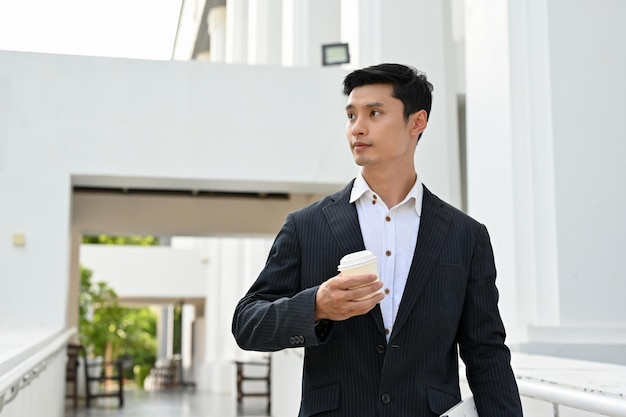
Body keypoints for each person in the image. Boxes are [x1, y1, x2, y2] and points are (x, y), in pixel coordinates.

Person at [232, 63, 523, 416]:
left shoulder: (466, 235)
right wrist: (317, 306)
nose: (357, 127)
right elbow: (247, 324)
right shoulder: (307, 225)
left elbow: (486, 353)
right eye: (351, 115)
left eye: (374, 113)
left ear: (417, 122)